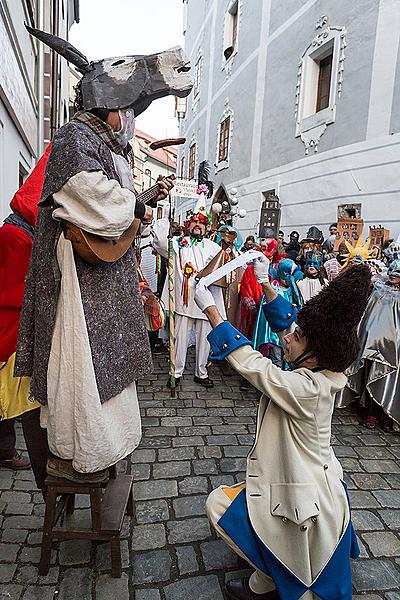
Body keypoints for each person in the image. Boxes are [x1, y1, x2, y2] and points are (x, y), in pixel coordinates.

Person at [15, 26, 190, 482]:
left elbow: (119, 207)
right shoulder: (75, 137)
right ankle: (85, 450)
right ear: (109, 108)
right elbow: (95, 199)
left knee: (108, 361)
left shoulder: (105, 145)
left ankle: (110, 444)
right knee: (83, 359)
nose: (130, 119)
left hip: (102, 277)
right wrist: (135, 208)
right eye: (128, 109)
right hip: (76, 277)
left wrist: (137, 206)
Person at [194, 261, 371, 600]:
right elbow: (290, 325)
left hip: (305, 496)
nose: (287, 338)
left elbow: (256, 366)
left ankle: (267, 581)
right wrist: (265, 283)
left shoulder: (307, 389)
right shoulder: (321, 369)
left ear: (316, 355)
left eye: (298, 337)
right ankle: (266, 581)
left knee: (219, 505)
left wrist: (212, 311)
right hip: (310, 479)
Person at [0, 147, 52, 478]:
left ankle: (6, 450)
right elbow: (15, 297)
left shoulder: (19, 235)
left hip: (13, 332)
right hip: (8, 336)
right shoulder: (15, 238)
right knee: (17, 394)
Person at [153, 209, 226, 389]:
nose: (197, 226)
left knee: (205, 340)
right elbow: (161, 244)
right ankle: (175, 372)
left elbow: (224, 270)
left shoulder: (214, 247)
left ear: (206, 227)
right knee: (179, 338)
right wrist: (164, 221)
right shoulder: (178, 243)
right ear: (188, 225)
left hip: (206, 302)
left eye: (201, 223)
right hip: (183, 302)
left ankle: (201, 373)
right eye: (194, 222)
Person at [339, 241, 400, 431]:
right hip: (370, 344)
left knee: (389, 378)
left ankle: (387, 415)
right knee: (370, 374)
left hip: (394, 347)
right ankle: (371, 412)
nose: (393, 277)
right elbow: (367, 315)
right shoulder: (378, 291)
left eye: (397, 275)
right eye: (392, 273)